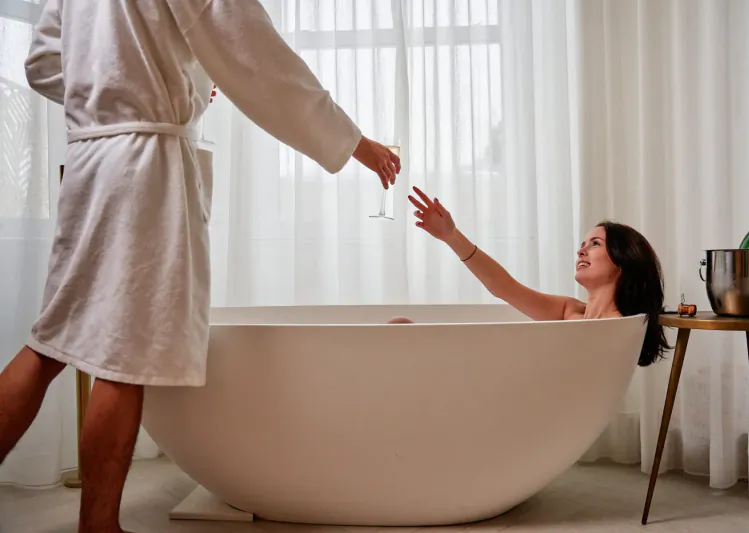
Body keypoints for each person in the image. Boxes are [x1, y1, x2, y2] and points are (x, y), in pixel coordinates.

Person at [0, 0, 400, 532]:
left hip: (90, 158)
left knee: (52, 340)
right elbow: (256, 55)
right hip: (143, 166)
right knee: (124, 356)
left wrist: (124, 80)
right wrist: (354, 143)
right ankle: (98, 526)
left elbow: (45, 60)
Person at [402, 186, 670, 367]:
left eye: (595, 244)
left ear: (622, 263)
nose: (581, 250)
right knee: (400, 328)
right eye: (583, 243)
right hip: (507, 387)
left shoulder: (619, 327)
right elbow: (503, 288)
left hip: (517, 400)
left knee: (401, 332)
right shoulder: (572, 312)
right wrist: (451, 236)